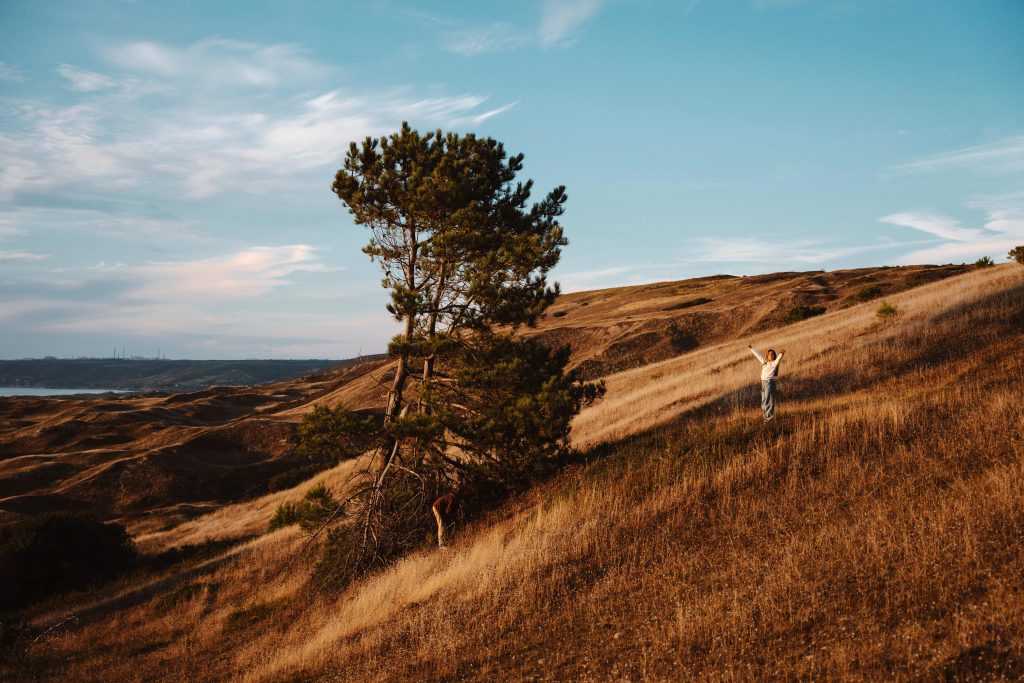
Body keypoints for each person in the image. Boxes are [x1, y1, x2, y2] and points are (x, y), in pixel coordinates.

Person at [748, 345, 785, 422]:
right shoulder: (764, 362)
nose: (770, 355)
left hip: (769, 383)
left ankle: (769, 419)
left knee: (769, 401)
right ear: (767, 356)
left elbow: (779, 359)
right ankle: (766, 417)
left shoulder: (774, 363)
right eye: (769, 354)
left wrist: (781, 353)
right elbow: (758, 355)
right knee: (764, 401)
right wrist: (752, 348)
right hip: (764, 383)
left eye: (772, 354)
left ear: (774, 356)